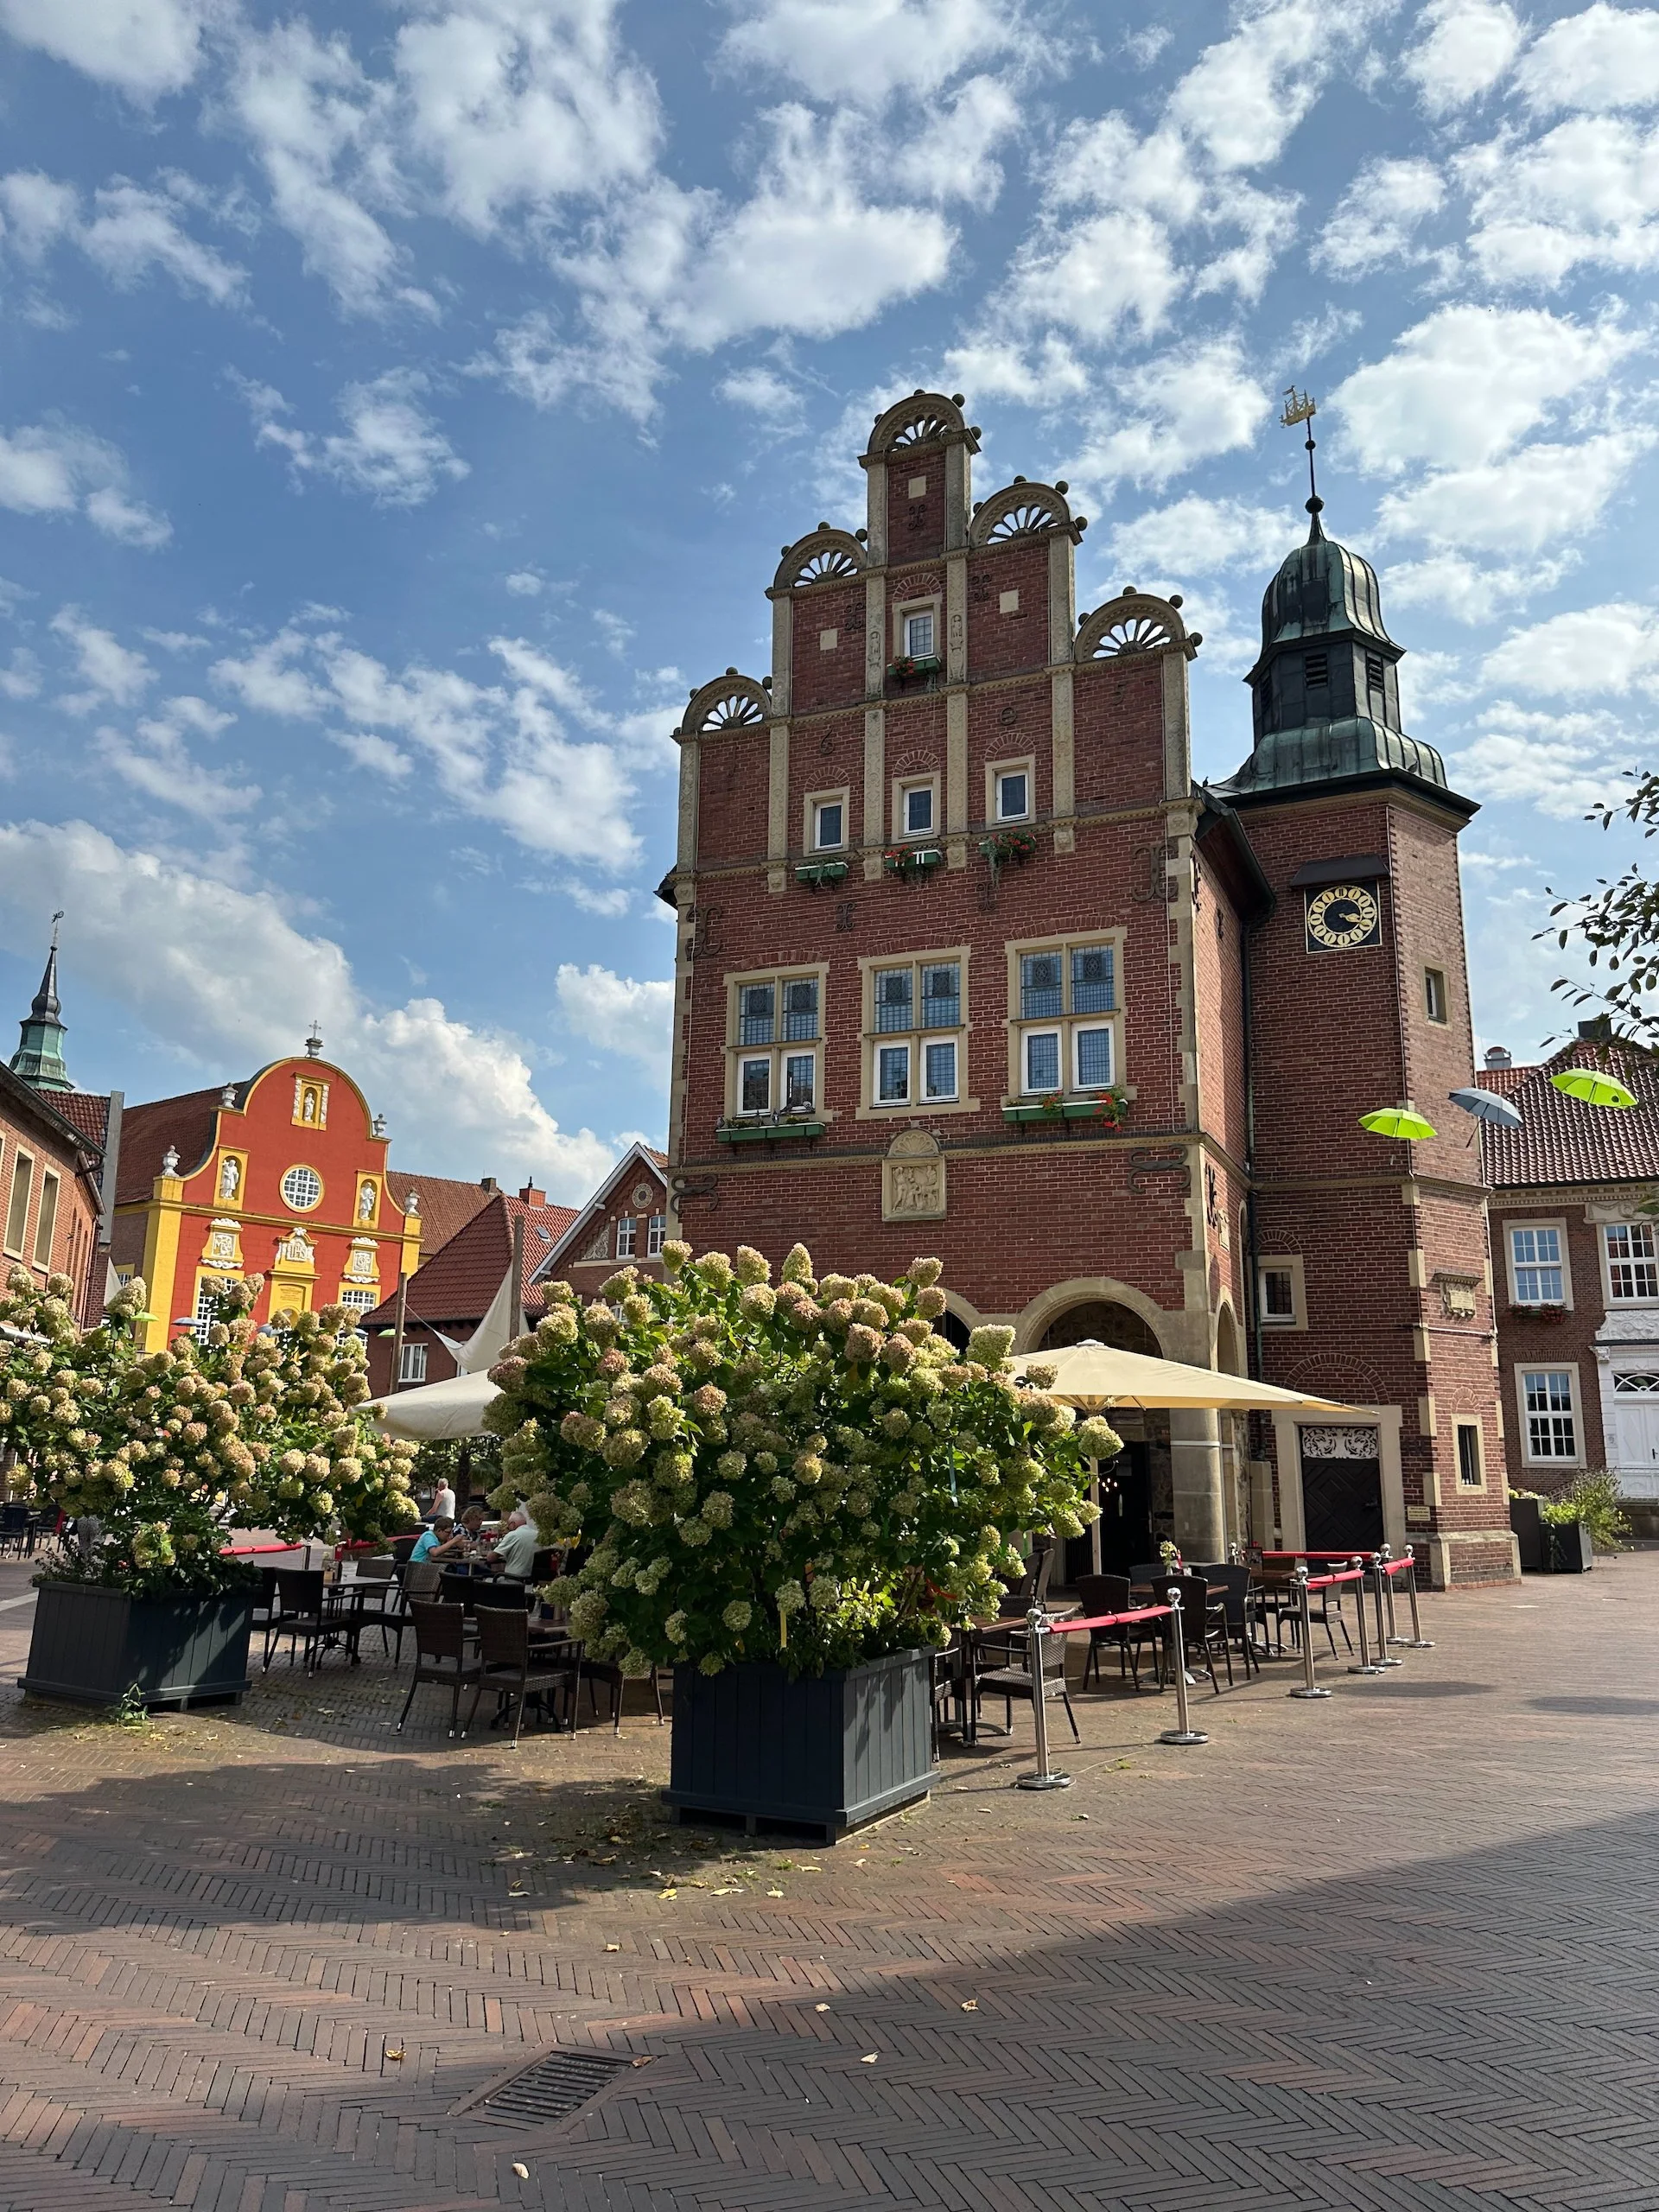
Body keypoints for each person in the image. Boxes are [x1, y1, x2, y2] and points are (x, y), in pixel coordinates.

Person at [491, 1516, 540, 1580]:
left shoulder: (513, 1535)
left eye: (508, 1526)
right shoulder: (538, 1535)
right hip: (533, 1579)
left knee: (486, 1580)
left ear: (513, 1524)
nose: (508, 1529)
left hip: (513, 1578)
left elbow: (491, 1558)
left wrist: (489, 1552)